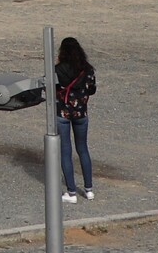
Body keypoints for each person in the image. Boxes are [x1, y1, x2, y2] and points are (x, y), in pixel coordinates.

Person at [54, 36, 97, 203]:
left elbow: (51, 88)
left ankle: (71, 192)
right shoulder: (87, 70)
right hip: (81, 114)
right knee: (83, 149)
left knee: (66, 151)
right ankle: (89, 189)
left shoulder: (57, 70)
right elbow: (92, 90)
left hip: (63, 114)